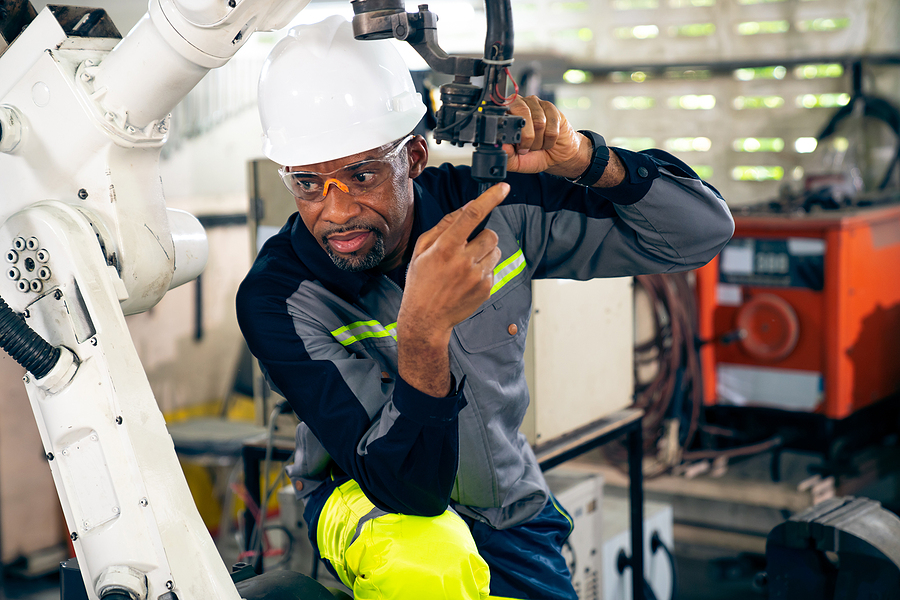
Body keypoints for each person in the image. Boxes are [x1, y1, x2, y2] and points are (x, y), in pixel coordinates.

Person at [237, 15, 733, 600]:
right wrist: (423, 330)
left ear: (414, 155)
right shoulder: (280, 298)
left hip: (505, 505)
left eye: (361, 175)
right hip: (372, 503)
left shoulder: (495, 205)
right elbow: (404, 487)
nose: (336, 211)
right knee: (431, 565)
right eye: (307, 183)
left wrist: (585, 160)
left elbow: (698, 234)